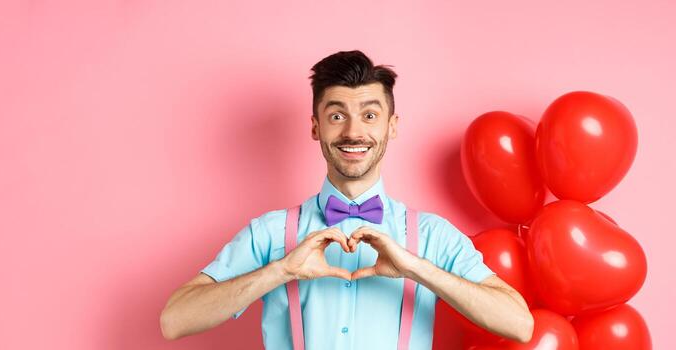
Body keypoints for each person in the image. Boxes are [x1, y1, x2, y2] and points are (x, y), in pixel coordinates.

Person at [159, 50, 533, 349]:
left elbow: (519, 324)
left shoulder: (432, 235)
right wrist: (282, 270)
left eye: (369, 115)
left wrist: (416, 268)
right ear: (315, 126)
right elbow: (174, 320)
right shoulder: (270, 232)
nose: (354, 131)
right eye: (337, 115)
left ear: (392, 126)